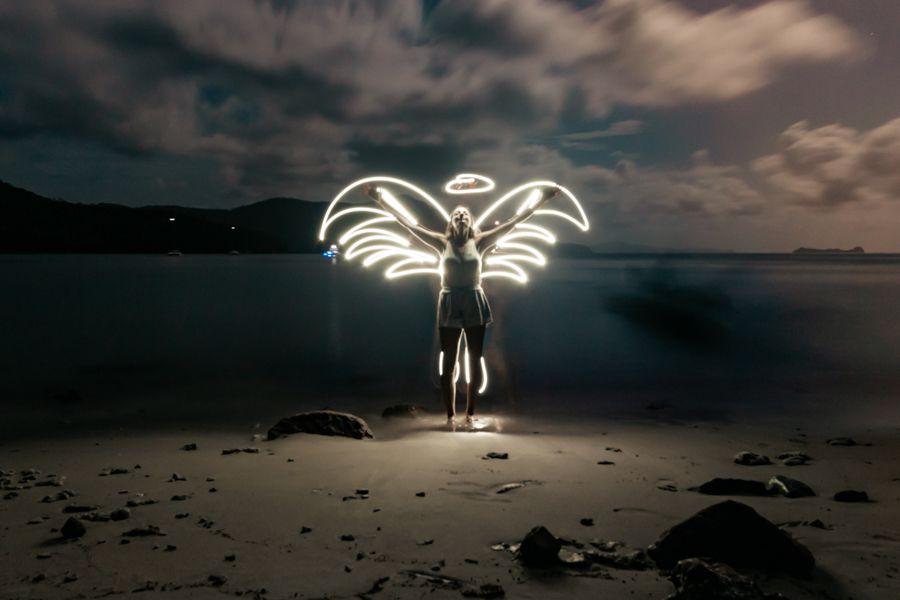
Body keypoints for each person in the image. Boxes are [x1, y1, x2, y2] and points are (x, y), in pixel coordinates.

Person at [362, 183, 559, 428]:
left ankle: (470, 413)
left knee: (475, 359)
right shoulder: (441, 242)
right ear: (451, 222)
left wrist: (542, 199)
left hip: (474, 299)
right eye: (457, 214)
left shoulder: (480, 242)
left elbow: (515, 221)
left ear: (471, 221)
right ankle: (450, 415)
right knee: (449, 360)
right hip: (449, 300)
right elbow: (408, 224)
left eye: (465, 213)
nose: (461, 215)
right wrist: (379, 199)